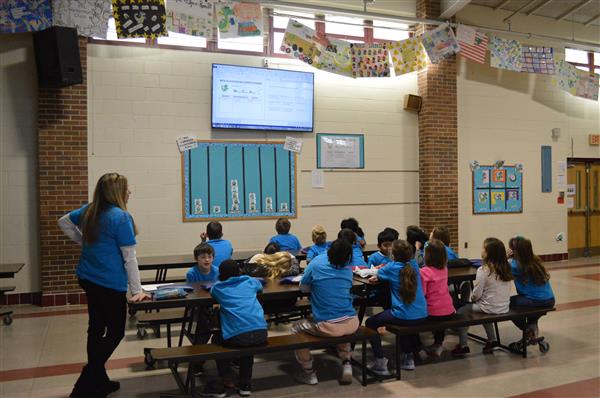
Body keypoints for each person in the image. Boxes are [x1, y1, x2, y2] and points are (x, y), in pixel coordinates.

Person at [58, 173, 149, 398]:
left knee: (96, 328)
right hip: (109, 283)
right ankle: (86, 382)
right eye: (127, 188)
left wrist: (84, 239)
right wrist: (137, 291)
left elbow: (63, 221)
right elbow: (129, 257)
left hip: (88, 277)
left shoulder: (90, 210)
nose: (130, 192)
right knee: (116, 331)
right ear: (117, 191)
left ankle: (99, 380)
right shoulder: (121, 217)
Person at [292, 239, 358, 386]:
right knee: (341, 323)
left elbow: (303, 288)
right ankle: (346, 362)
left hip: (328, 325)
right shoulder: (348, 270)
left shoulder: (316, 264)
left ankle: (308, 372)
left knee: (295, 327)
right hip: (352, 321)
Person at [203, 260, 268, 397]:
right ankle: (245, 384)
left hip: (238, 336)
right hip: (261, 332)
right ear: (239, 272)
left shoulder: (218, 288)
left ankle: (226, 378)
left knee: (217, 339)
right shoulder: (249, 281)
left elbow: (213, 292)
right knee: (247, 346)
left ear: (221, 274)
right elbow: (260, 285)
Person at [366, 240, 428, 373]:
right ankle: (408, 357)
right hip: (422, 313)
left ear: (393, 254)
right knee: (404, 319)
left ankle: (380, 361)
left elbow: (379, 274)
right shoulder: (414, 265)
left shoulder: (391, 268)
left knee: (370, 322)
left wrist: (379, 277)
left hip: (403, 315)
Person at [452, 238, 513, 357]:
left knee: (461, 312)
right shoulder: (505, 267)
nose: (481, 250)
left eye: (483, 248)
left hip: (489, 307)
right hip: (503, 306)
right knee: (484, 309)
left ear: (488, 253)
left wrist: (471, 301)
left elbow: (476, 295)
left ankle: (463, 345)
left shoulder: (483, 270)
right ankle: (492, 339)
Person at [507, 237, 555, 350]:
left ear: (515, 251)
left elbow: (497, 269)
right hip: (549, 300)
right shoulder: (535, 260)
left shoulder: (515, 266)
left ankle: (528, 331)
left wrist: (505, 257)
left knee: (506, 304)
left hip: (534, 300)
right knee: (532, 315)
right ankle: (532, 334)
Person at [419, 239, 455, 358]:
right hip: (449, 309)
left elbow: (422, 293)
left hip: (432, 312)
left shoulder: (424, 272)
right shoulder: (444, 269)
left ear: (427, 255)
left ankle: (418, 348)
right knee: (441, 312)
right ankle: (438, 344)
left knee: (413, 316)